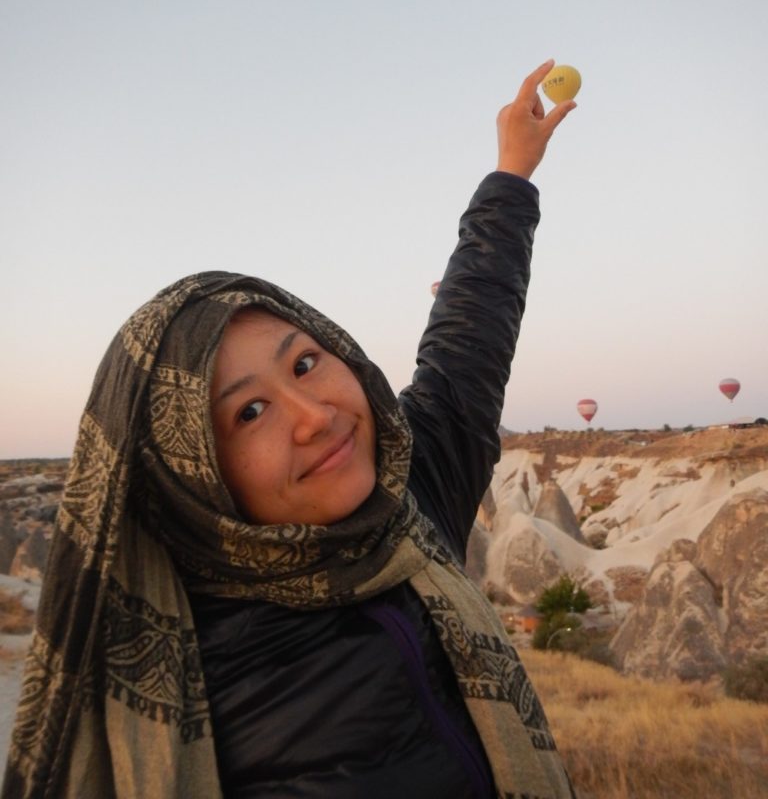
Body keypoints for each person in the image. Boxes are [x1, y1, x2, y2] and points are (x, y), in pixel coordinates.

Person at [2, 60, 577, 799]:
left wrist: (511, 174)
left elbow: (466, 348)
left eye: (305, 363)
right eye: (248, 412)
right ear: (192, 476)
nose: (313, 417)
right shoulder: (197, 698)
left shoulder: (407, 514)